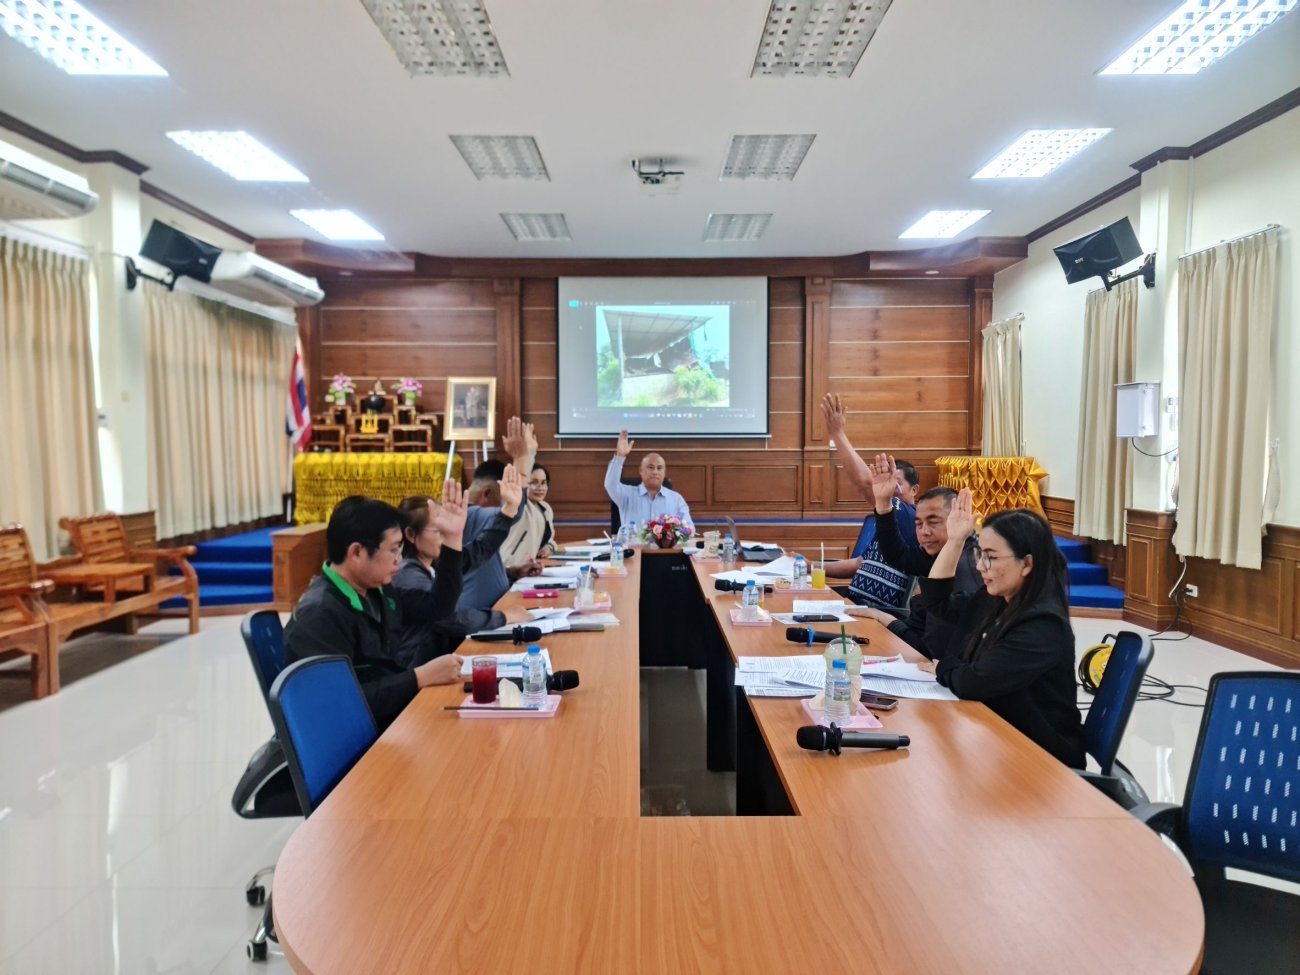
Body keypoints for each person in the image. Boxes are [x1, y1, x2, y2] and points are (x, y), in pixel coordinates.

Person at [919, 489, 1084, 768]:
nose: (982, 567)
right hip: (995, 737)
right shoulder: (996, 598)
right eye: (979, 555)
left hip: (1040, 758)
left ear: (1027, 563)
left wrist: (943, 667)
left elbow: (974, 682)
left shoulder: (1042, 624)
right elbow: (936, 603)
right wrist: (956, 540)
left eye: (991, 557)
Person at [283, 493, 465, 731]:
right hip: (350, 740)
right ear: (356, 553)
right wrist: (419, 677)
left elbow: (437, 607)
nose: (399, 560)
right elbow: (334, 704)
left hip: (388, 719)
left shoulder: (378, 590)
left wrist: (452, 539)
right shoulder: (319, 616)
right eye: (394, 550)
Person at [846, 458, 983, 659]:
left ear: (957, 519)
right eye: (918, 524)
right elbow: (898, 556)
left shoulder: (968, 569)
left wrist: (884, 618)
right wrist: (883, 503)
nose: (924, 532)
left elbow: (931, 651)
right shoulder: (935, 553)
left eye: (933, 522)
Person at [392, 485, 519, 666]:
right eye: (439, 531)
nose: (446, 537)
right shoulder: (408, 575)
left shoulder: (434, 561)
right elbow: (450, 618)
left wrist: (509, 510)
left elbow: (479, 550)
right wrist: (504, 617)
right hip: (416, 674)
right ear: (411, 535)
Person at [818, 394, 920, 610]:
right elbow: (859, 563)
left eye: (896, 484)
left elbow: (866, 484)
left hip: (875, 615)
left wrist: (837, 433)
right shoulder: (888, 521)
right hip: (851, 605)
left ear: (915, 490)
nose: (890, 490)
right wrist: (810, 566)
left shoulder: (909, 515)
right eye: (888, 483)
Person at [457, 461, 532, 612]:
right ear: (487, 493)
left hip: (496, 609)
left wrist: (510, 572)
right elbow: (513, 515)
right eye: (502, 501)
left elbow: (477, 562)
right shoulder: (469, 513)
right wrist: (522, 456)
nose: (501, 507)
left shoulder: (475, 517)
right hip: (477, 620)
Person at [603, 429, 693, 534]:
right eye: (650, 467)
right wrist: (620, 457)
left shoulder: (676, 499)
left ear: (664, 473)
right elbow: (610, 485)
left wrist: (672, 533)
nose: (655, 472)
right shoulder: (626, 495)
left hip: (666, 550)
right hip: (634, 550)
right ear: (641, 471)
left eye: (659, 468)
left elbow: (690, 529)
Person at [501, 463, 559, 569]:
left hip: (530, 568)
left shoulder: (545, 508)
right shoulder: (517, 505)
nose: (540, 488)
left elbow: (550, 539)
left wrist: (550, 547)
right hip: (510, 568)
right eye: (533, 482)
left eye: (543, 483)